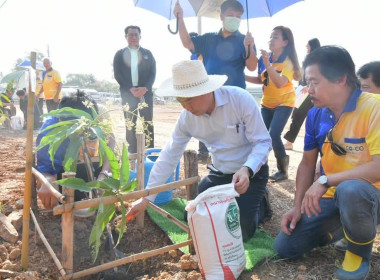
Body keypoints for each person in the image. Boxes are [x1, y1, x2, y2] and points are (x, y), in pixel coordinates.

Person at [127, 60, 272, 242]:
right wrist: (147, 198)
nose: (186, 106)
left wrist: (247, 169)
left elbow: (263, 142)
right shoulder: (187, 118)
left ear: (207, 90)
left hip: (250, 173)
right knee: (192, 216)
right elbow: (169, 155)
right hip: (221, 173)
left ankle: (262, 203)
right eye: (180, 100)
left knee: (239, 231)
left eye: (189, 99)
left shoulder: (240, 100)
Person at [274, 46, 380, 280]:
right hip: (335, 196)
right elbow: (306, 163)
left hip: (372, 195)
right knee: (285, 247)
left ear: (341, 79)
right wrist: (297, 206)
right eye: (307, 83)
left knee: (351, 189)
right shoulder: (315, 114)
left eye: (314, 82)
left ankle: (358, 253)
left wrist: (325, 180)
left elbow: (377, 168)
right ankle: (347, 227)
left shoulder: (374, 107)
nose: (308, 90)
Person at [174, 0, 258, 162]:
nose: (235, 19)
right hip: (210, 97)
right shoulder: (209, 39)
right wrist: (180, 18)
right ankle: (218, 165)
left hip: (235, 99)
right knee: (214, 135)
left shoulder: (244, 40)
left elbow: (252, 66)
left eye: (238, 17)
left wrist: (250, 47)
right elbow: (188, 43)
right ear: (221, 16)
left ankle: (245, 170)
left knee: (238, 138)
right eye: (231, 15)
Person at [36, 90, 114, 209]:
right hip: (63, 171)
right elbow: (45, 168)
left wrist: (104, 174)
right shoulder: (49, 132)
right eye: (74, 129)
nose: (80, 133)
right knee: (68, 200)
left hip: (90, 164)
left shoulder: (98, 118)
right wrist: (48, 181)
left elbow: (111, 145)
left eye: (84, 128)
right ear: (61, 121)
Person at [246, 26, 302, 181]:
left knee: (273, 134)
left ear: (285, 42)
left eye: (275, 37)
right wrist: (242, 76)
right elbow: (261, 80)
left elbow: (279, 83)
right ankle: (257, 167)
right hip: (267, 103)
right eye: (271, 36)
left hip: (284, 103)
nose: (271, 39)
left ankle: (282, 170)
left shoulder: (288, 62)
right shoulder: (264, 59)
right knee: (261, 136)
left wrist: (268, 65)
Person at [113, 25, 156, 154]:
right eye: (130, 35)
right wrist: (130, 88)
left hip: (145, 93)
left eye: (136, 35)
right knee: (130, 122)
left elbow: (153, 73)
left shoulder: (147, 54)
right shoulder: (119, 54)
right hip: (128, 93)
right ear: (126, 37)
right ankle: (132, 149)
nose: (133, 37)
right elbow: (117, 74)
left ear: (140, 36)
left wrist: (145, 88)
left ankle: (150, 149)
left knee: (147, 122)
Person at [283, 38, 321, 150]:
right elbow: (302, 75)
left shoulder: (317, 60)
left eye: (307, 45)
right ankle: (289, 142)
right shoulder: (308, 58)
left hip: (310, 91)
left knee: (310, 117)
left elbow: (318, 76)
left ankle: (315, 143)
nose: (306, 47)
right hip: (302, 91)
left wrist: (308, 86)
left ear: (312, 46)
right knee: (297, 116)